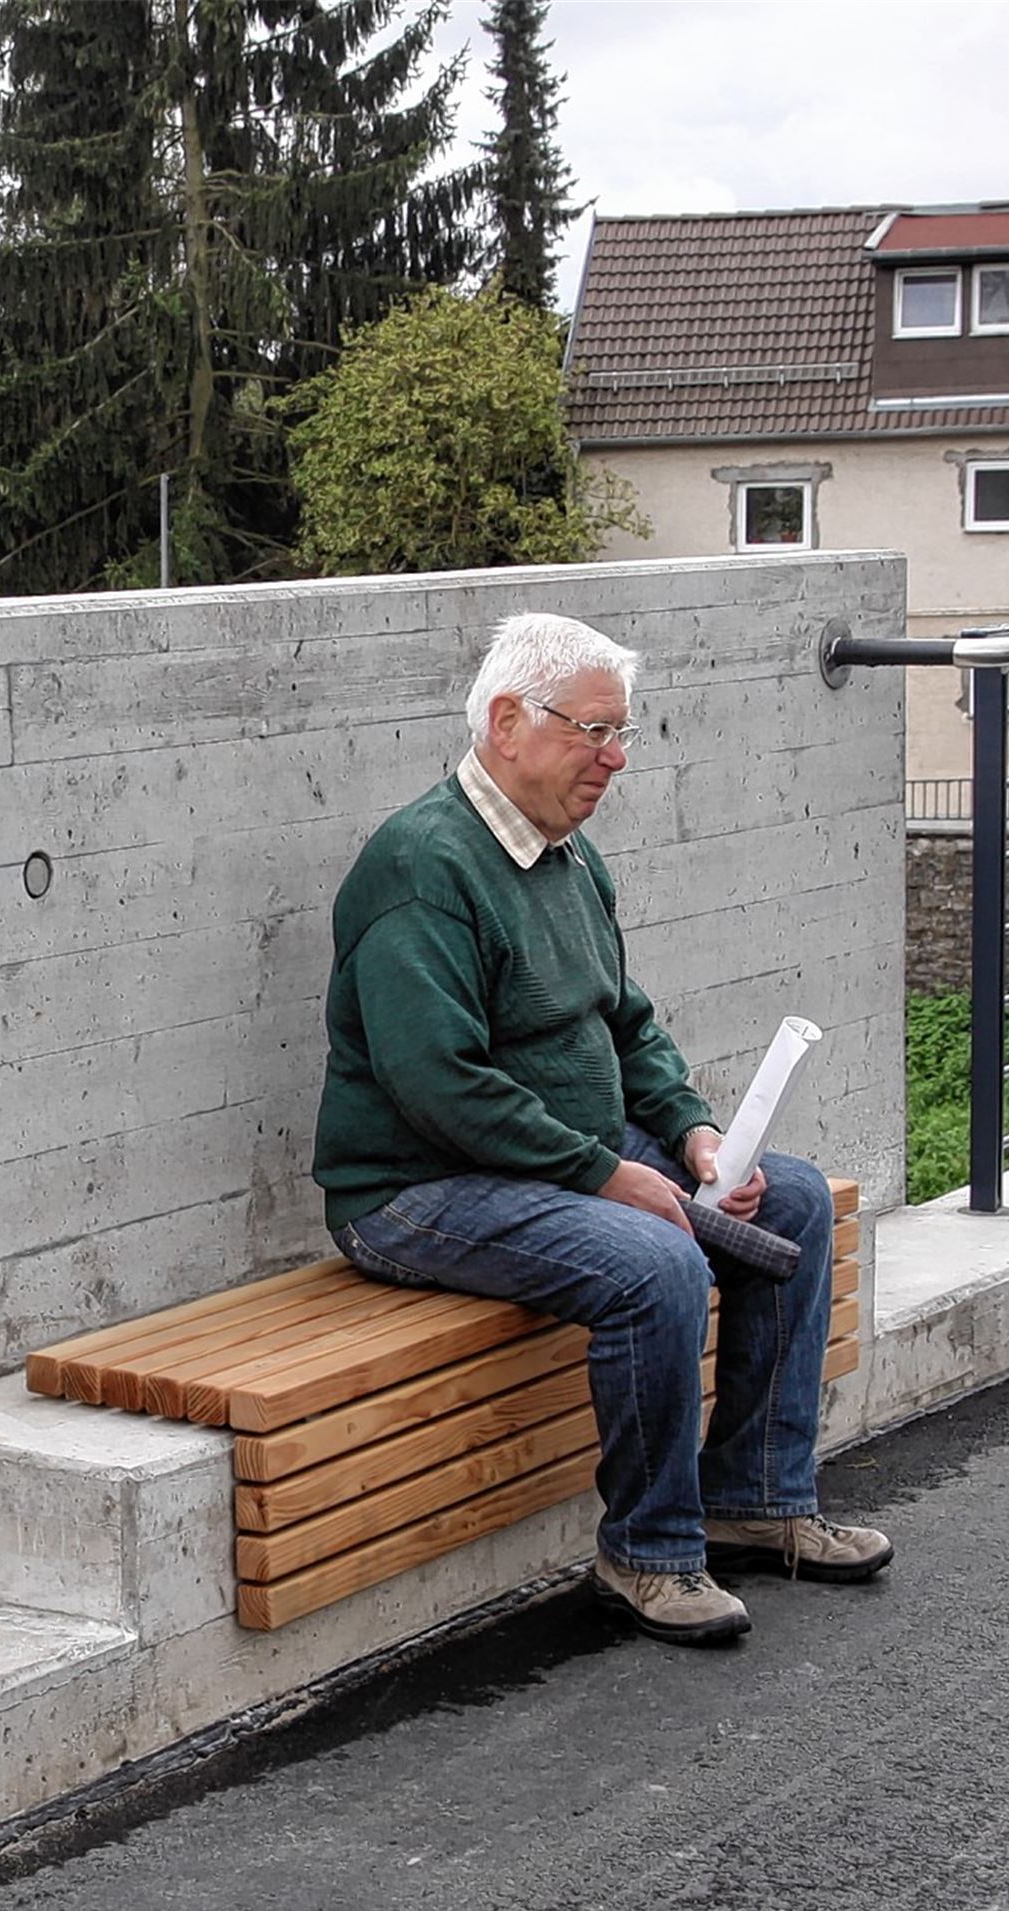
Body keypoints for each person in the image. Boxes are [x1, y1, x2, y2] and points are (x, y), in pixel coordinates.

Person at [312, 612, 892, 1646]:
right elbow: (438, 1085)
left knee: (794, 1200)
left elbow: (626, 1023)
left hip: (553, 1160)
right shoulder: (421, 867)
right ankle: (648, 1552)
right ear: (507, 723)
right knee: (656, 1263)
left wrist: (695, 1132)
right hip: (415, 1188)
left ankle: (755, 1497)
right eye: (594, 731)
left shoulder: (569, 856)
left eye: (622, 732)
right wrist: (606, 1174)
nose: (616, 757)